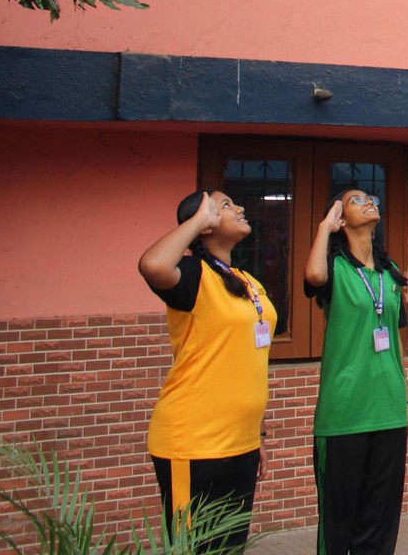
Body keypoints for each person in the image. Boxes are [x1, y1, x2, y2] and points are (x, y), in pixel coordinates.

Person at [137, 190, 270, 551]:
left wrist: (257, 434)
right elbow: (152, 266)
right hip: (195, 442)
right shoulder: (194, 274)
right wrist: (197, 220)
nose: (240, 207)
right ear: (205, 224)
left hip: (241, 442)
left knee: (229, 547)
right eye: (225, 205)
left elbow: (248, 360)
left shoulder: (246, 281)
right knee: (193, 547)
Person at [304, 189, 408, 555]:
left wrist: (405, 397)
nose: (369, 202)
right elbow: (313, 274)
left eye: (372, 198)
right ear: (341, 219)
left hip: (389, 410)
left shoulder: (390, 273)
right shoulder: (334, 267)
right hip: (344, 412)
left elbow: (395, 340)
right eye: (355, 199)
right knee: (338, 524)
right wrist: (325, 226)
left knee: (380, 524)